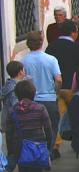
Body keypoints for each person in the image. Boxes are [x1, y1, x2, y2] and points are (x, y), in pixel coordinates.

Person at [6, 79, 53, 172]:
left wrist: (11, 151)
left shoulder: (13, 110)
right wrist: (48, 147)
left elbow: (9, 133)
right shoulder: (40, 108)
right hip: (37, 148)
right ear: (33, 93)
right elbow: (48, 129)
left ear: (17, 94)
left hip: (20, 148)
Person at [20, 31, 61, 159]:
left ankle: (34, 153)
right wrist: (56, 93)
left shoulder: (23, 61)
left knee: (32, 130)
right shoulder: (51, 59)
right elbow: (58, 80)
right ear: (42, 42)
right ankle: (47, 153)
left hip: (31, 100)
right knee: (52, 127)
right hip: (49, 99)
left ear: (28, 44)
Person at [45, 20, 79, 153]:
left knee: (58, 118)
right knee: (77, 116)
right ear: (73, 33)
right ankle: (77, 141)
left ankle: (55, 146)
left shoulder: (51, 47)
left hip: (56, 88)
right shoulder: (78, 48)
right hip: (73, 88)